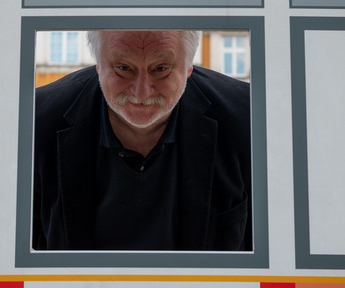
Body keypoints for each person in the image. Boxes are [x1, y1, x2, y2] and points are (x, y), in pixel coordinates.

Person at [32, 30, 251, 251]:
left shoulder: (247, 116)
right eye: (123, 68)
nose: (141, 93)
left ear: (188, 67)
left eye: (161, 69)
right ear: (98, 64)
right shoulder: (37, 119)